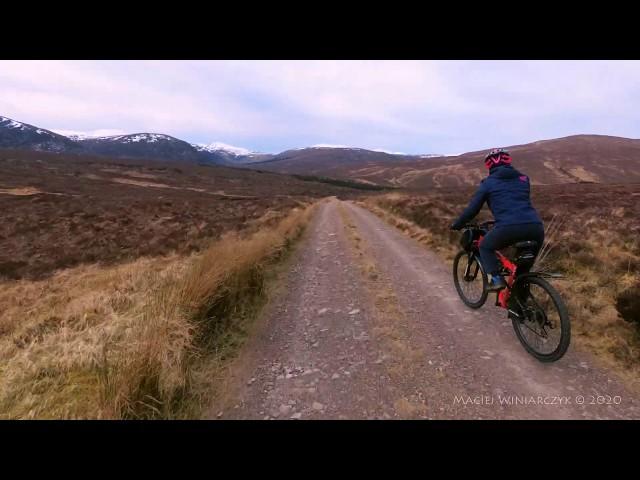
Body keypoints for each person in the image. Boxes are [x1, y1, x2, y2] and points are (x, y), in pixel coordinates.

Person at [450, 148, 544, 291]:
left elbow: (473, 210)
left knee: (484, 246)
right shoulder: (524, 179)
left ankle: (496, 279)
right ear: (508, 160)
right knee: (522, 274)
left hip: (508, 227)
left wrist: (457, 224)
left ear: (489, 165)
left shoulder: (488, 183)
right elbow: (515, 203)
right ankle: (520, 310)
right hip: (536, 228)